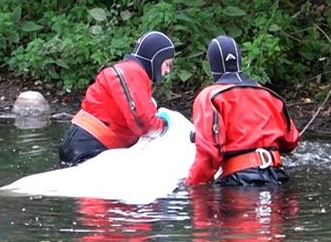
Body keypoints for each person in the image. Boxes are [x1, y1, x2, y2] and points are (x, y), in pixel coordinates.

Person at [185, 35, 300, 186]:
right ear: (239, 60)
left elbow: (208, 153)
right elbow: (291, 141)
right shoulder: (268, 94)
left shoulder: (210, 97)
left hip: (239, 182)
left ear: (212, 65)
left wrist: (192, 184)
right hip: (277, 177)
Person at [59, 31, 175, 166]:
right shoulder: (132, 74)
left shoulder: (127, 72)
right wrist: (164, 124)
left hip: (80, 143)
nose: (167, 71)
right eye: (167, 64)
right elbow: (144, 124)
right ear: (156, 59)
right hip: (88, 148)